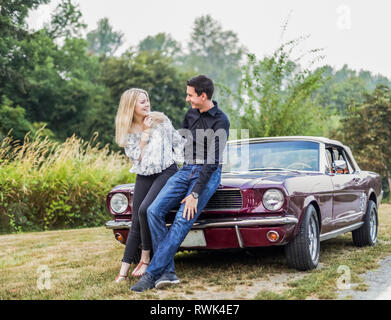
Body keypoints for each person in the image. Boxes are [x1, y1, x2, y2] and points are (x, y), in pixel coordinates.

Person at [130, 75, 230, 292]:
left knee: (181, 220)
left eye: (190, 95)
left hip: (207, 173)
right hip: (186, 169)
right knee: (153, 211)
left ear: (203, 96)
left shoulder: (221, 121)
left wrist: (194, 193)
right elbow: (180, 144)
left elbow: (212, 161)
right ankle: (168, 273)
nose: (187, 99)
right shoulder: (191, 115)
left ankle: (152, 274)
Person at [114, 88, 186, 282]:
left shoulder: (160, 120)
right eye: (142, 102)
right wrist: (144, 135)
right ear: (131, 107)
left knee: (146, 209)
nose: (147, 105)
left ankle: (146, 259)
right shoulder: (128, 131)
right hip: (144, 173)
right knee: (136, 218)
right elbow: (137, 159)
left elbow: (178, 143)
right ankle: (123, 271)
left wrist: (184, 168)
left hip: (166, 170)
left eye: (147, 101)